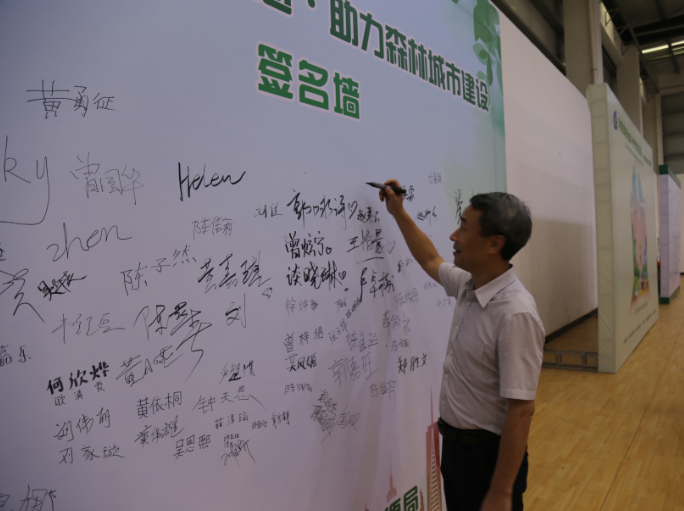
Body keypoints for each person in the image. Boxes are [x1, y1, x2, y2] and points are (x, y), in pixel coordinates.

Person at [378, 180, 544, 511]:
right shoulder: (470, 284)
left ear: (494, 243)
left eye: (464, 227)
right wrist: (398, 212)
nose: (454, 235)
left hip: (488, 460)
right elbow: (429, 258)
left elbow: (521, 410)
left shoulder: (515, 313)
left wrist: (501, 491)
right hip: (457, 451)